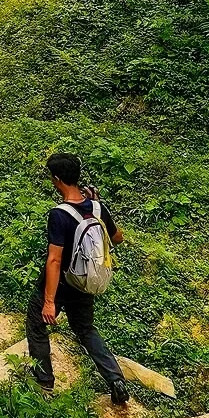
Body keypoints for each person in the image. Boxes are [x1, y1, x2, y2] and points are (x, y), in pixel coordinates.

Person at [25, 152, 132, 403]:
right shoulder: (97, 207)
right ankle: (115, 379)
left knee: (37, 324)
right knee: (85, 329)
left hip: (61, 282)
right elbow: (118, 238)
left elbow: (54, 259)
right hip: (84, 283)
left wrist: (49, 301)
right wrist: (98, 211)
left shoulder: (59, 214)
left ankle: (44, 384)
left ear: (57, 179)